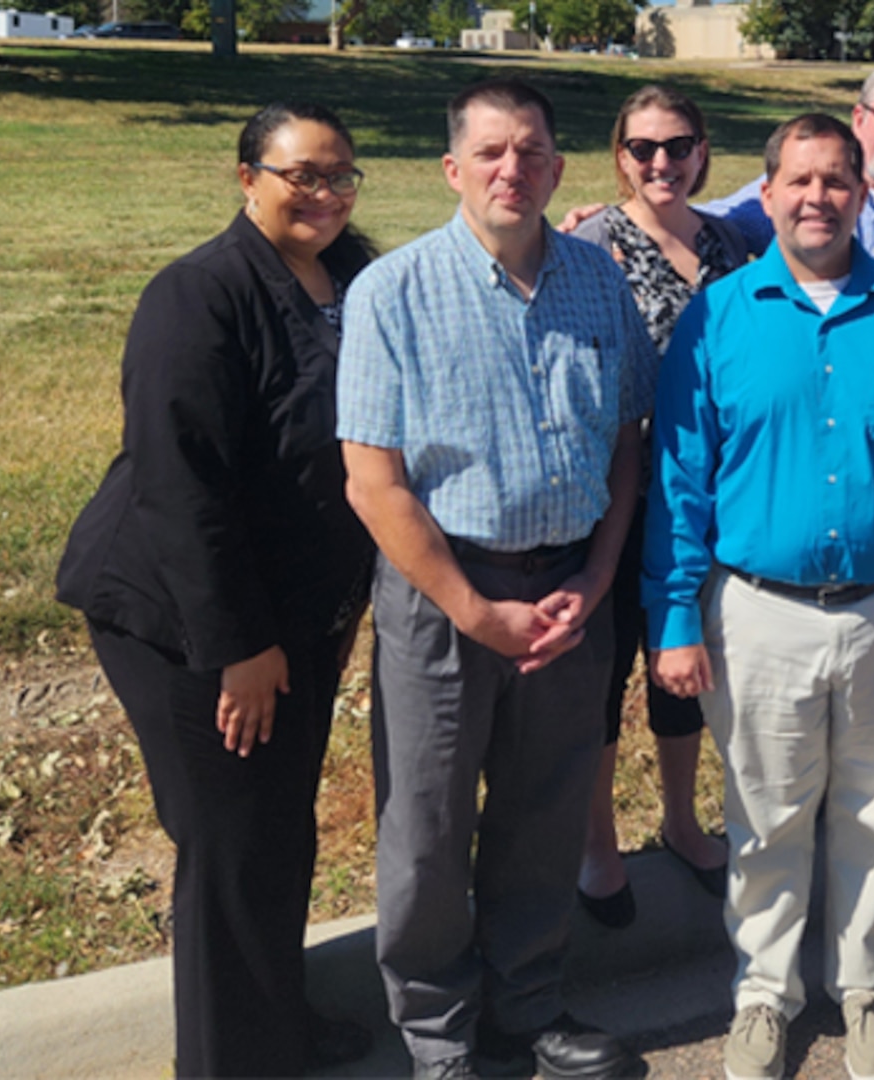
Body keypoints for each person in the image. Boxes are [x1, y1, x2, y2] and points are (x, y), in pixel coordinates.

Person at [644, 113, 874, 1080]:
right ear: (764, 197)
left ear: (861, 195)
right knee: (765, 817)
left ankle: (866, 989)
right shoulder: (718, 316)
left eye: (836, 181)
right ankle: (764, 995)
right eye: (798, 181)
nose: (817, 197)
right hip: (755, 612)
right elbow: (680, 480)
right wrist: (675, 615)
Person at [567, 62, 874, 834]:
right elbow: (686, 208)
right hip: (688, 486)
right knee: (650, 684)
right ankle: (621, 843)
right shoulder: (703, 239)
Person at [336, 77, 657, 1080]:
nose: (510, 169)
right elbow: (372, 482)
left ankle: (527, 1004)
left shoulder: (599, 282)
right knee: (426, 827)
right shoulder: (392, 292)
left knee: (544, 809)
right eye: (488, 153)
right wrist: (474, 610)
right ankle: (437, 1033)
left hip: (567, 593)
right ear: (452, 170)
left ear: (558, 168)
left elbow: (626, 439)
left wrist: (599, 579)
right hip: (444, 599)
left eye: (529, 152)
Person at [55, 102, 377, 1077]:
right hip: (187, 617)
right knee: (233, 844)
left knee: (277, 834)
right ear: (247, 179)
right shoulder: (197, 295)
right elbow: (177, 480)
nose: (321, 194)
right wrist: (234, 646)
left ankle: (276, 1030)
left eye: (339, 176)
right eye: (299, 176)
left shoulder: (352, 278)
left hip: (296, 613)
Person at [569, 84, 748, 927]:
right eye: (641, 148)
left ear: (703, 150)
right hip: (614, 491)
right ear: (619, 157)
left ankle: (680, 819)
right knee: (604, 671)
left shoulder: (734, 242)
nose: (660, 163)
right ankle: (598, 845)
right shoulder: (589, 243)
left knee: (686, 662)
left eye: (677, 146)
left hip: (711, 490)